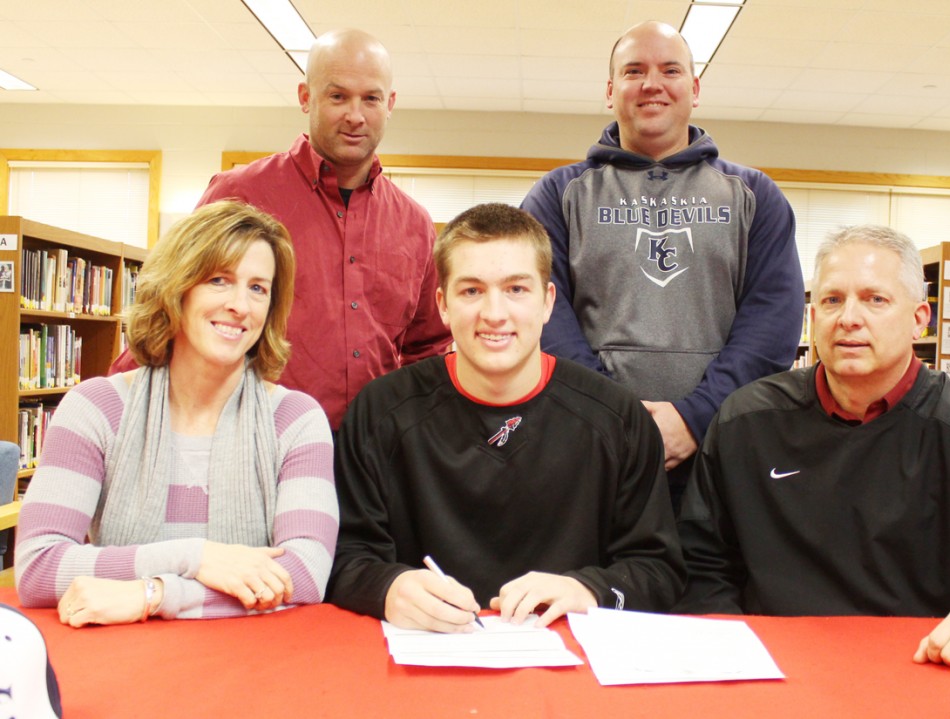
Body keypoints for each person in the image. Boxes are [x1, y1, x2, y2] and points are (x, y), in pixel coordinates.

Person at [677, 224, 950, 674]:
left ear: (921, 318)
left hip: (920, 665)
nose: (849, 318)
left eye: (875, 299)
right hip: (771, 665)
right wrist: (733, 646)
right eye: (832, 300)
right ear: (814, 315)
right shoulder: (745, 421)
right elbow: (701, 558)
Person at [327, 203, 685, 632]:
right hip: (424, 655)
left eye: (516, 289)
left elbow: (659, 570)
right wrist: (387, 586)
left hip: (572, 662)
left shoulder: (618, 418)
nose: (494, 313)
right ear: (442, 304)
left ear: (548, 301)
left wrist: (591, 590)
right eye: (471, 291)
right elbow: (345, 556)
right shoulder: (380, 412)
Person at [520, 21, 805, 509]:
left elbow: (772, 323)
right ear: (611, 92)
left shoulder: (754, 196)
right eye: (634, 71)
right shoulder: (557, 195)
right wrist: (618, 418)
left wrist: (693, 418)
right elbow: (544, 315)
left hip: (719, 455)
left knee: (711, 586)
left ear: (694, 89)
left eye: (670, 70)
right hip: (593, 453)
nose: (652, 83)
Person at [109, 28, 451, 432]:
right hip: (251, 442)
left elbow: (426, 349)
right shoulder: (239, 193)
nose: (355, 115)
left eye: (371, 98)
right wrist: (110, 413)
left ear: (390, 103)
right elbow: (171, 306)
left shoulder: (413, 223)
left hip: (372, 460)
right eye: (337, 96)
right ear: (306, 96)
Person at [15, 201, 339, 625]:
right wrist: (195, 557)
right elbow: (39, 567)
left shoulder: (297, 421)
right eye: (219, 280)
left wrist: (156, 594)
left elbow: (305, 574)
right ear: (176, 289)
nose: (240, 305)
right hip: (124, 662)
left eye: (258, 288)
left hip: (251, 662)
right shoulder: (95, 409)